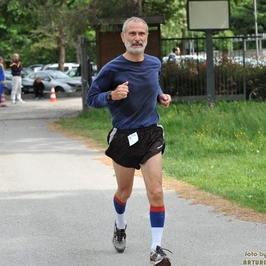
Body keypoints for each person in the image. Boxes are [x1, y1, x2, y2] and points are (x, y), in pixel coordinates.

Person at [86, 17, 172, 265]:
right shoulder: (112, 68)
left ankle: (156, 249)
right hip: (124, 136)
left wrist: (161, 96)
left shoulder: (154, 62)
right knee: (125, 192)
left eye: (141, 34)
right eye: (132, 33)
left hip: (150, 133)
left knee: (156, 192)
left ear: (146, 37)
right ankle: (120, 226)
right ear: (123, 38)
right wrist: (111, 95)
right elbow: (92, 98)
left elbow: (152, 84)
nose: (137, 38)